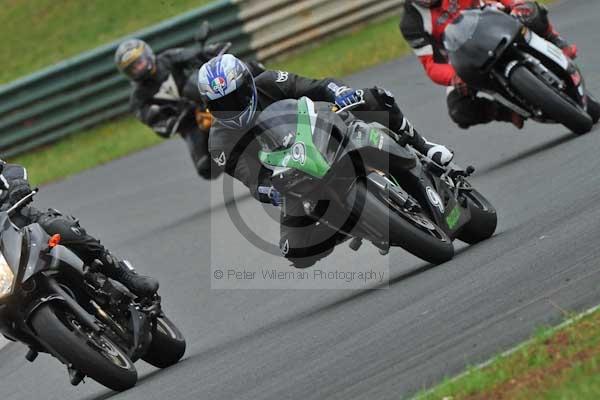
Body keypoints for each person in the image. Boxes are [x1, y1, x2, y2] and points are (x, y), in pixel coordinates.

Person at [196, 54, 454, 267]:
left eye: (236, 98)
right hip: (292, 175)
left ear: (248, 85)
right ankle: (349, 225)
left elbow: (317, 86)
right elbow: (253, 179)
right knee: (296, 251)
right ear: (210, 108)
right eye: (223, 105)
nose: (233, 108)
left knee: (375, 97)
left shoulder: (270, 81)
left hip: (324, 131)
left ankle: (423, 145)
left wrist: (341, 93)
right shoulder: (219, 143)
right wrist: (270, 190)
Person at [400, 0, 579, 130]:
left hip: (496, 23)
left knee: (528, 9)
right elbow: (431, 64)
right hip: (466, 60)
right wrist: (455, 76)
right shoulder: (411, 22)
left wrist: (514, 4)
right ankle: (507, 112)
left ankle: (555, 40)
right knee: (459, 109)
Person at [0, 161, 158, 298]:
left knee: (59, 228)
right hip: (3, 254)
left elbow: (10, 170)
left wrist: (15, 185)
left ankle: (126, 277)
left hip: (23, 224)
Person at [115, 38, 220, 179]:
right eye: (133, 68)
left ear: (147, 54)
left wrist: (207, 53)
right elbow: (156, 124)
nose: (139, 69)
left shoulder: (168, 58)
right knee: (206, 168)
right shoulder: (138, 99)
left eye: (139, 63)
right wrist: (174, 119)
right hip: (190, 123)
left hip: (205, 97)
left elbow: (192, 55)